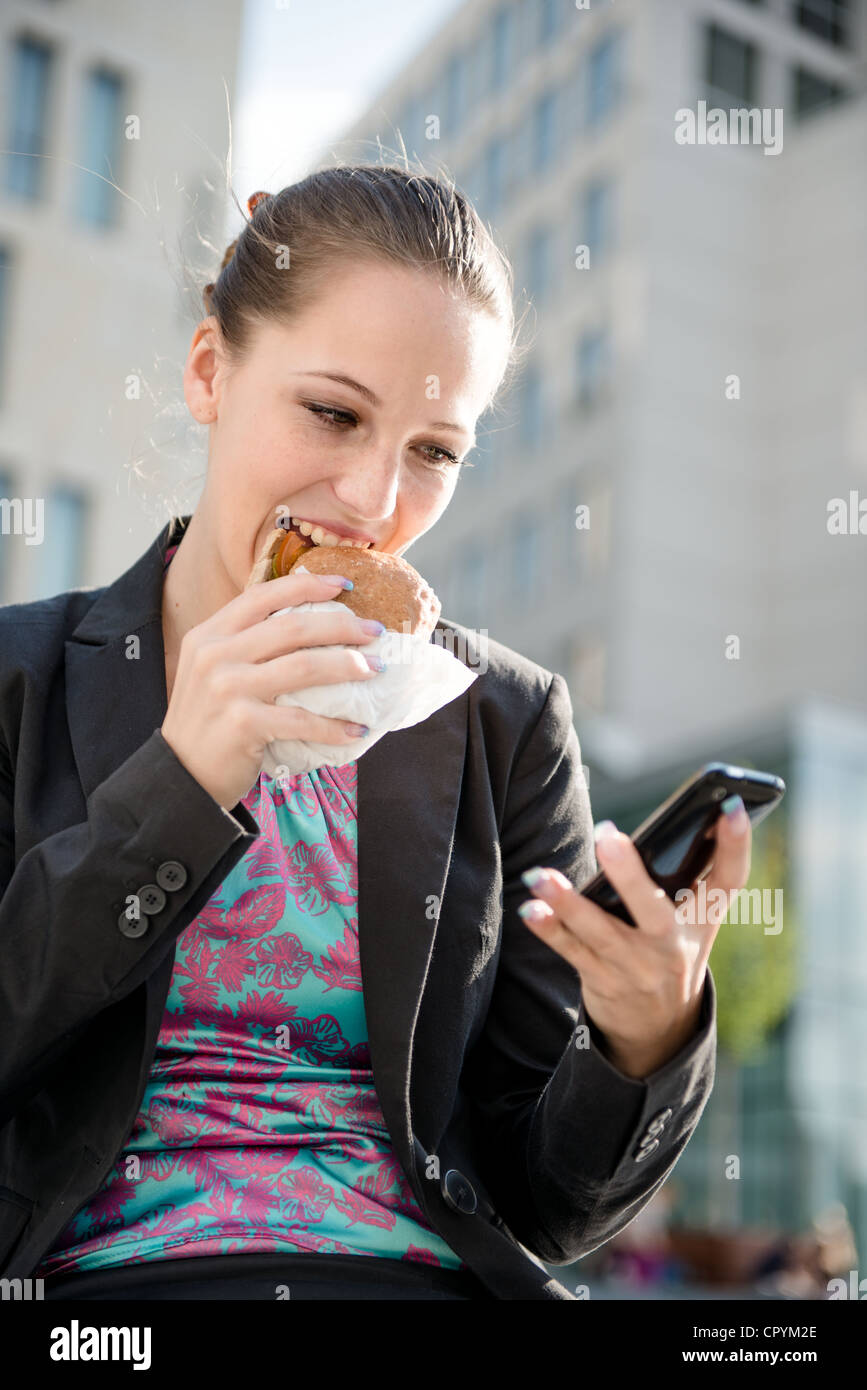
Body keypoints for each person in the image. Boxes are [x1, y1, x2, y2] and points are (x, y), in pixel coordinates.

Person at [0, 166, 750, 1301]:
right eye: (334, 413)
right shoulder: (23, 675)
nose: (370, 494)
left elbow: (544, 1204)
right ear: (211, 370)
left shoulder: (503, 722)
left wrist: (643, 1038)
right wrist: (182, 785)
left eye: (435, 451)